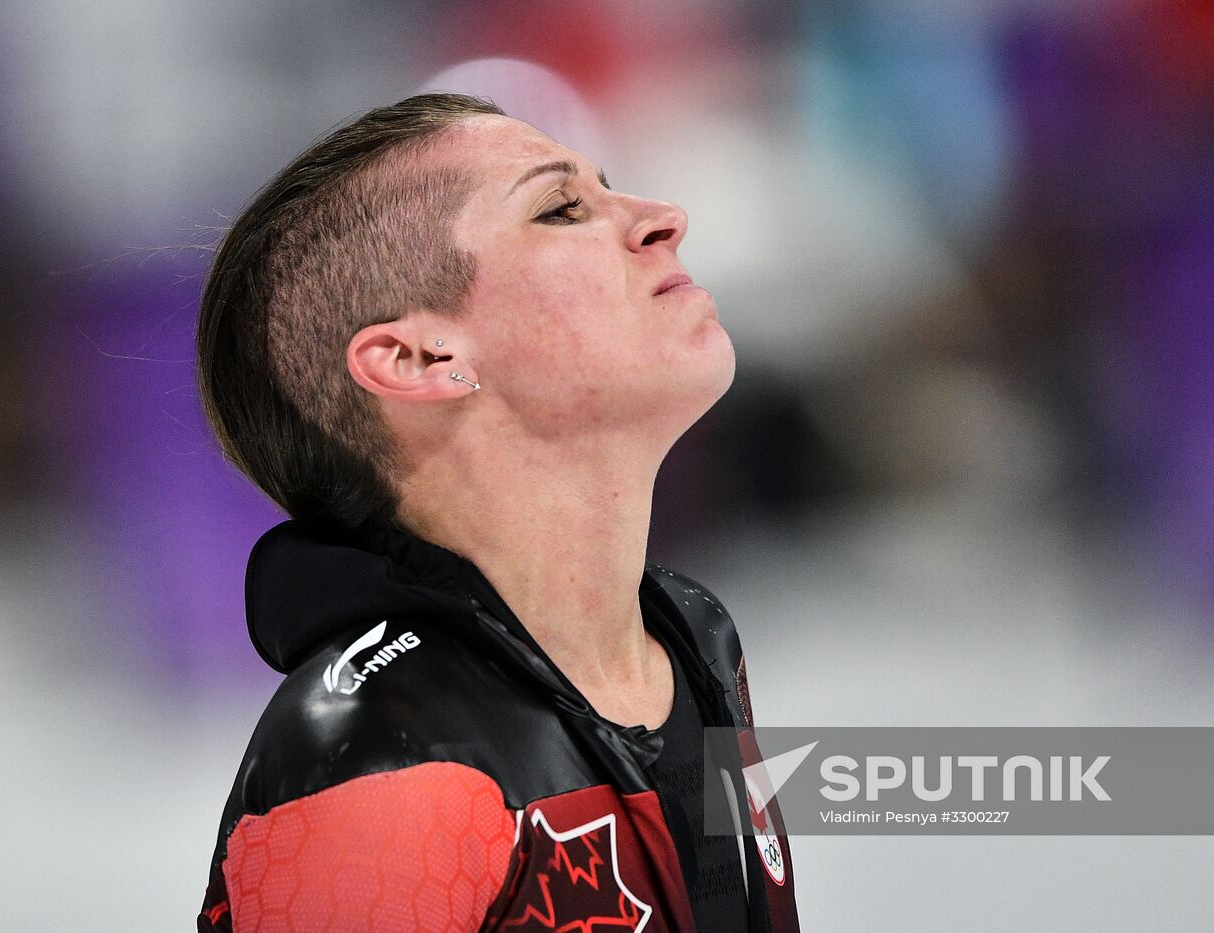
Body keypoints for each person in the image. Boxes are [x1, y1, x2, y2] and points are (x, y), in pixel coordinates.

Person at [194, 92, 800, 932]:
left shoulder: (695, 633)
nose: (665, 218)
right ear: (419, 359)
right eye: (561, 208)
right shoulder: (379, 760)